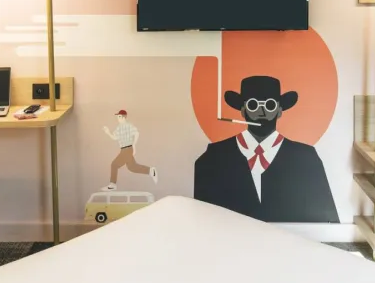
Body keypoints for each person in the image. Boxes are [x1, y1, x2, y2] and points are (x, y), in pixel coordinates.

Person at [194, 75, 339, 223]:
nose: (262, 112)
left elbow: (328, 222)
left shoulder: (306, 158)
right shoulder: (214, 157)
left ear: (279, 111)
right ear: (243, 110)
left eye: (270, 105)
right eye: (253, 105)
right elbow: (201, 220)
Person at [102, 110, 158, 190]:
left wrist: (134, 145)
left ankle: (112, 185)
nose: (118, 118)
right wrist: (108, 132)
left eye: (119, 117)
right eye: (117, 117)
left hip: (128, 149)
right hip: (123, 149)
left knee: (114, 165)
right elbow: (115, 138)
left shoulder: (129, 125)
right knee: (132, 167)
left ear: (124, 117)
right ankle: (151, 171)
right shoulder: (118, 128)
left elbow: (136, 133)